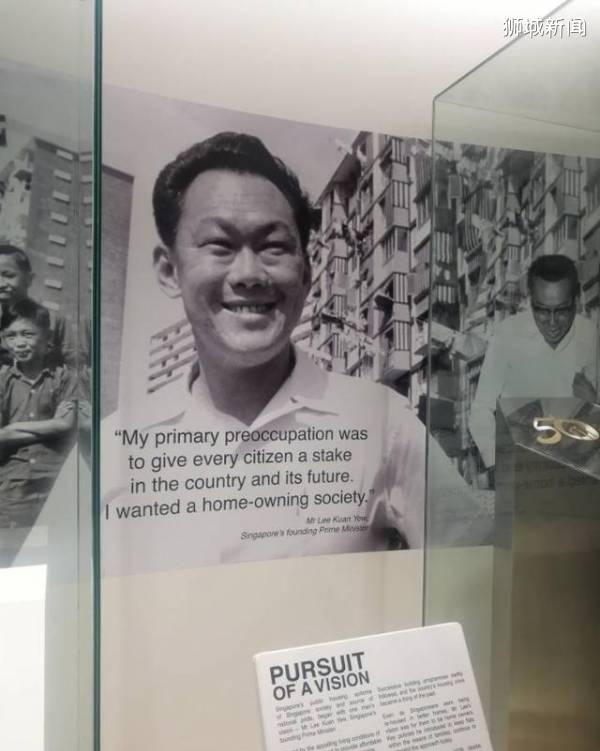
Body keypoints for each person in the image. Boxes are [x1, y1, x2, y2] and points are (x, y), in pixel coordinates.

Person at [103, 132, 481, 570]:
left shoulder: (381, 423)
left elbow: (475, 572)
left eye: (274, 247)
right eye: (220, 246)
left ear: (305, 275)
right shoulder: (112, 450)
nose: (249, 274)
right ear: (170, 271)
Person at [469, 254, 598, 470]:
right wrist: (498, 463)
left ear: (577, 299)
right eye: (542, 310)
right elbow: (481, 409)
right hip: (522, 470)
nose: (552, 322)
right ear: (530, 300)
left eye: (562, 310)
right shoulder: (507, 335)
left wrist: (594, 405)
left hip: (575, 472)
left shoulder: (591, 336)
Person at [0, 298, 77, 530]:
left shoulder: (64, 378)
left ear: (47, 338)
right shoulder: (2, 381)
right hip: (13, 489)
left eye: (27, 334)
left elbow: (67, 424)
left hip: (57, 483)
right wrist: (53, 425)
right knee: (15, 548)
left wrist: (12, 429)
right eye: (11, 336)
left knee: (59, 547)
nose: (19, 343)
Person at [0, 243, 76, 368]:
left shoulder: (53, 319)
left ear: (29, 279)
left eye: (9, 275)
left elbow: (74, 366)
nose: (1, 284)